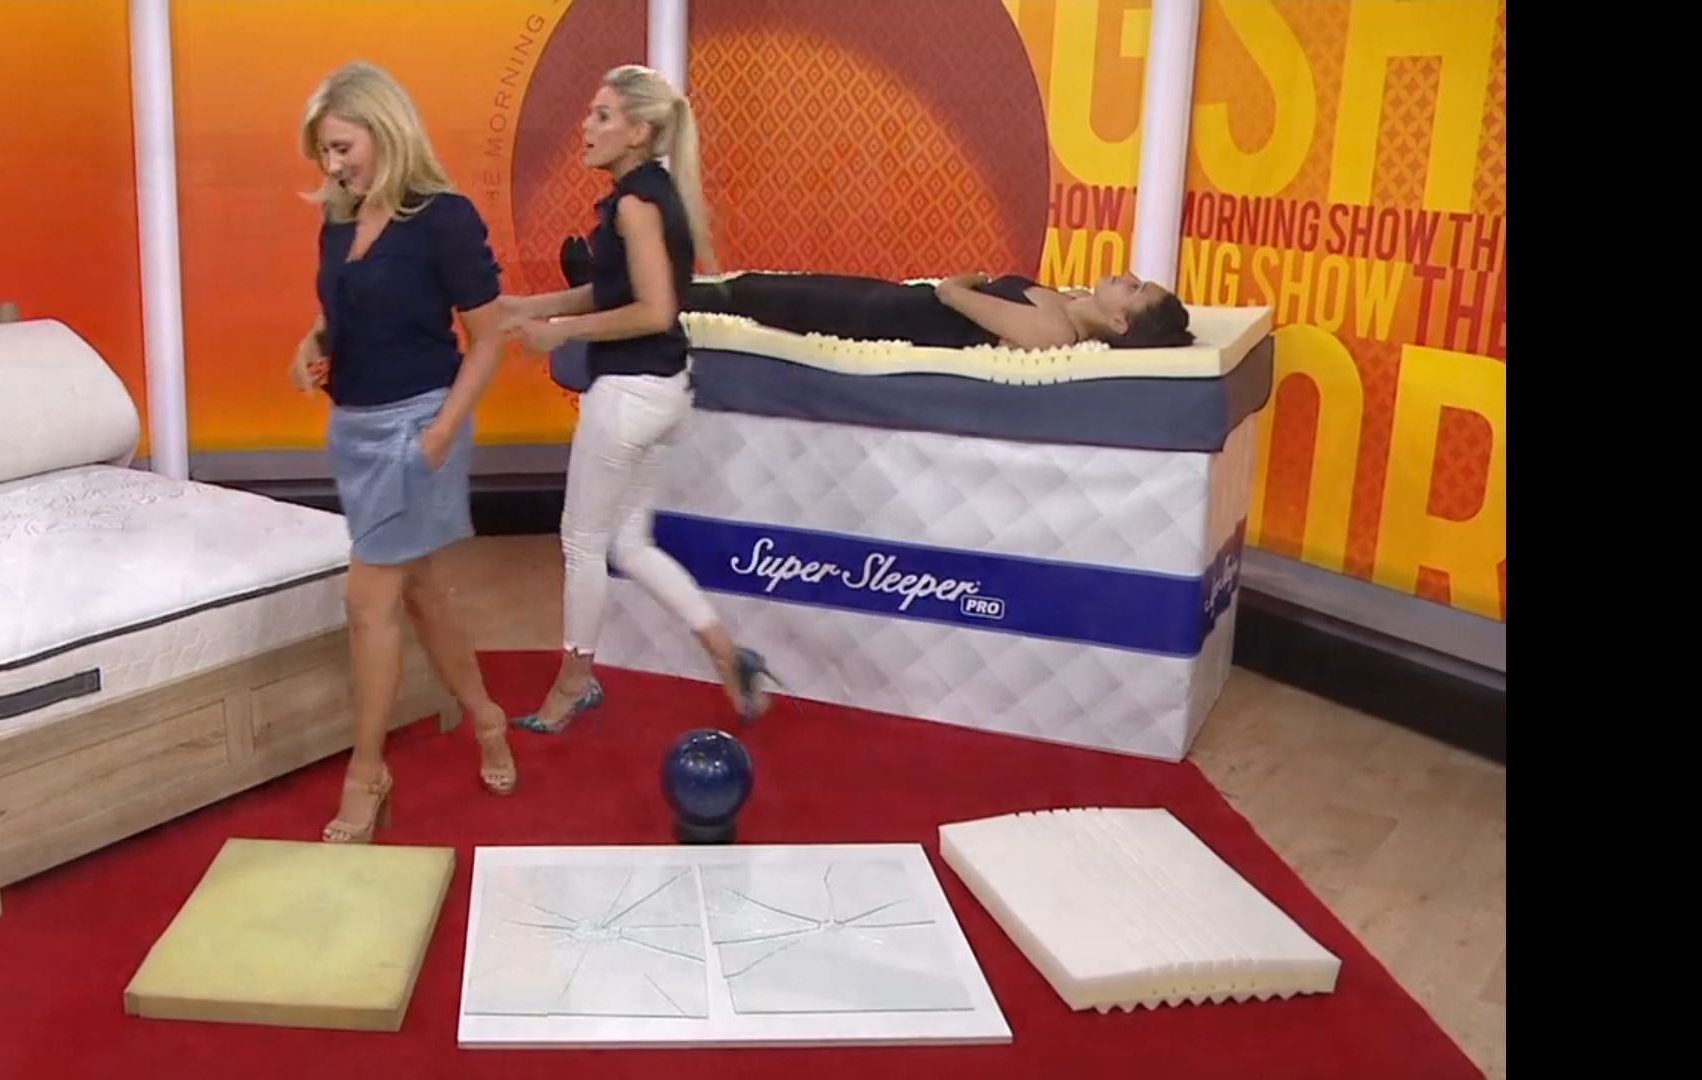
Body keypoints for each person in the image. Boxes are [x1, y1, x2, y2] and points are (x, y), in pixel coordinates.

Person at [499, 64, 778, 735]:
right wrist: (532, 307)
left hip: (628, 394)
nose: (586, 127)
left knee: (581, 543)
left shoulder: (634, 204)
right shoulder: (648, 195)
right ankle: (726, 653)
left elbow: (653, 311)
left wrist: (558, 332)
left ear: (640, 131)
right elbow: (614, 291)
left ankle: (573, 683)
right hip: (661, 392)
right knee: (628, 543)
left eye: (602, 115)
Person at [290, 61, 521, 843]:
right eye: (324, 152)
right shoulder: (339, 220)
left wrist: (445, 429)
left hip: (417, 428)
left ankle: (367, 773)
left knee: (368, 602)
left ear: (385, 132)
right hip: (354, 429)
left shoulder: (443, 219)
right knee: (420, 593)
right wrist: (312, 345)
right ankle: (486, 717)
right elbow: (347, 312)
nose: (333, 166)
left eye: (343, 147)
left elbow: (488, 336)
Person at [680, 268, 1195, 350]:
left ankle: (654, 297)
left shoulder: (1054, 330)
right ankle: (660, 289)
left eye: (1134, 289)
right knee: (754, 287)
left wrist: (973, 278)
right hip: (893, 300)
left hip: (886, 319)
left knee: (752, 296)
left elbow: (951, 292)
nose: (1125, 276)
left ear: (1119, 322)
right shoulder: (1072, 301)